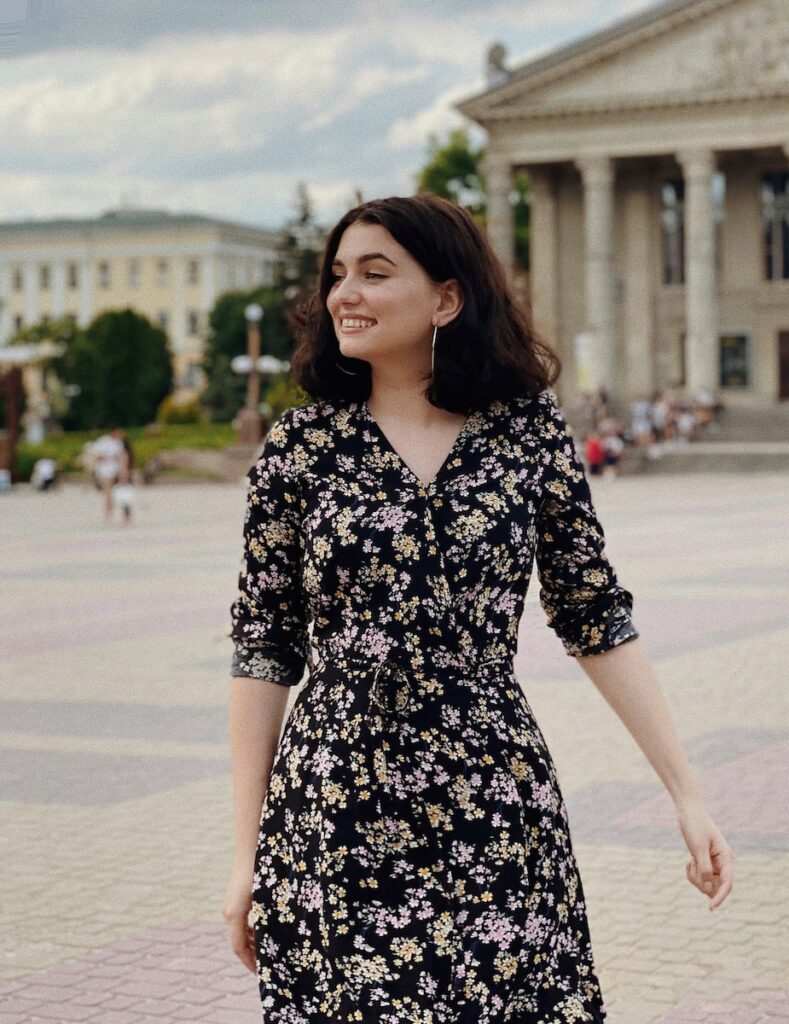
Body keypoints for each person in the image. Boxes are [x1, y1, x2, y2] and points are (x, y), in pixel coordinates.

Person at [224, 194, 734, 1022]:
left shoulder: (526, 434)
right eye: (336, 275)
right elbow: (263, 648)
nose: (343, 294)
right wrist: (245, 853)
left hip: (492, 795)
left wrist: (685, 794)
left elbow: (594, 615)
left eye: (374, 273)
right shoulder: (299, 449)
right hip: (334, 804)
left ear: (446, 298)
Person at [86, 426, 125, 522]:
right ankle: (108, 512)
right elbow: (94, 454)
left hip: (115, 470)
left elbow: (120, 457)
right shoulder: (103, 441)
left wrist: (122, 471)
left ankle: (111, 511)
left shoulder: (118, 443)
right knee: (108, 492)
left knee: (112, 492)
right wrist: (103, 458)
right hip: (105, 471)